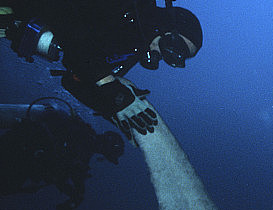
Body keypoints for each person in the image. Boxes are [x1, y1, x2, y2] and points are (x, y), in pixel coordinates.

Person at [0, 1, 202, 140]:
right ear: (165, 25)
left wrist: (110, 107)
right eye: (173, 47)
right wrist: (107, 83)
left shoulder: (130, 49)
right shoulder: (127, 5)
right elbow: (62, 12)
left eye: (176, 57)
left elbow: (72, 80)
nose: (167, 55)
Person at [0, 98, 124, 210]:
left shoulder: (83, 137)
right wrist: (77, 196)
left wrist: (76, 194)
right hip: (20, 152)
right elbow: (68, 172)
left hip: (20, 150)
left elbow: (66, 173)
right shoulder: (84, 140)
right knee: (7, 185)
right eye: (107, 154)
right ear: (106, 148)